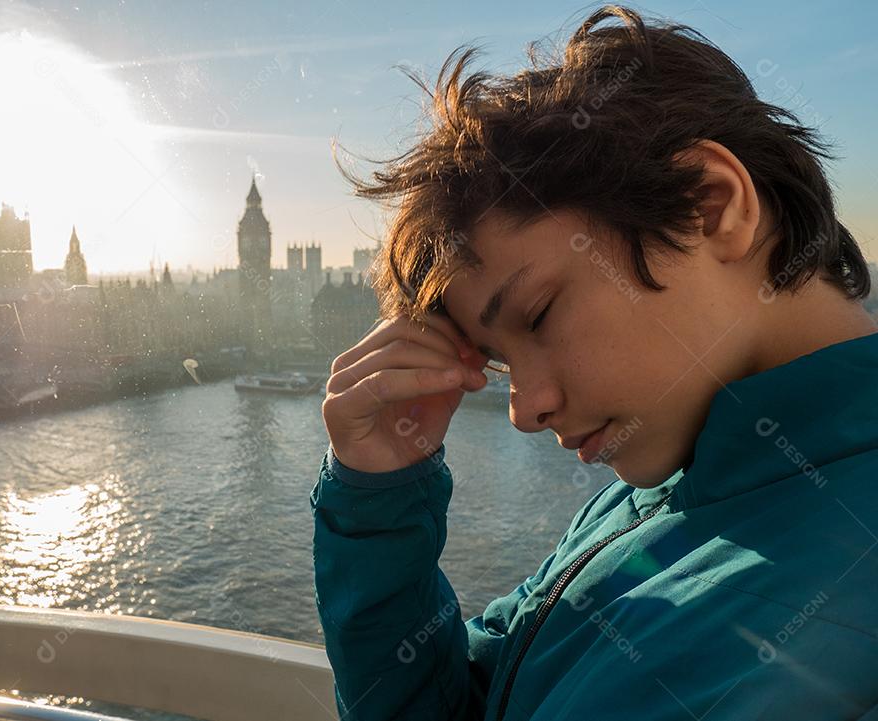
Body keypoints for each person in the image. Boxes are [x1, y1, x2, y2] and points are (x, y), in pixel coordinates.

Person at [311, 5, 878, 720]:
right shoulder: (656, 488)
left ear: (711, 206)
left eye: (540, 314)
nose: (522, 410)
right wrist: (379, 497)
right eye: (495, 361)